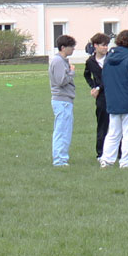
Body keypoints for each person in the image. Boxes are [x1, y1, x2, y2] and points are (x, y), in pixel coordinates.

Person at [98, 30, 128, 168]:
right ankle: (125, 162)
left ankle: (107, 160)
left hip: (113, 101)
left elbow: (105, 80)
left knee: (113, 133)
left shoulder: (108, 59)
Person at [49, 34, 77, 166]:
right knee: (62, 130)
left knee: (65, 130)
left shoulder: (62, 61)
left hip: (65, 100)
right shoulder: (58, 61)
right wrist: (71, 72)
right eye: (71, 47)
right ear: (63, 47)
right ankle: (59, 159)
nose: (73, 49)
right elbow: (61, 81)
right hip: (62, 100)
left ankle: (62, 158)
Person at [83, 33, 112, 159]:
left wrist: (98, 87)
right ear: (95, 45)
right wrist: (93, 86)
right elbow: (86, 75)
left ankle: (119, 152)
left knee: (116, 125)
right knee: (102, 124)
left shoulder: (111, 59)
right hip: (101, 97)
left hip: (113, 94)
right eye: (103, 45)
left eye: (107, 45)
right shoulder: (90, 61)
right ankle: (100, 153)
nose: (105, 48)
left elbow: (110, 78)